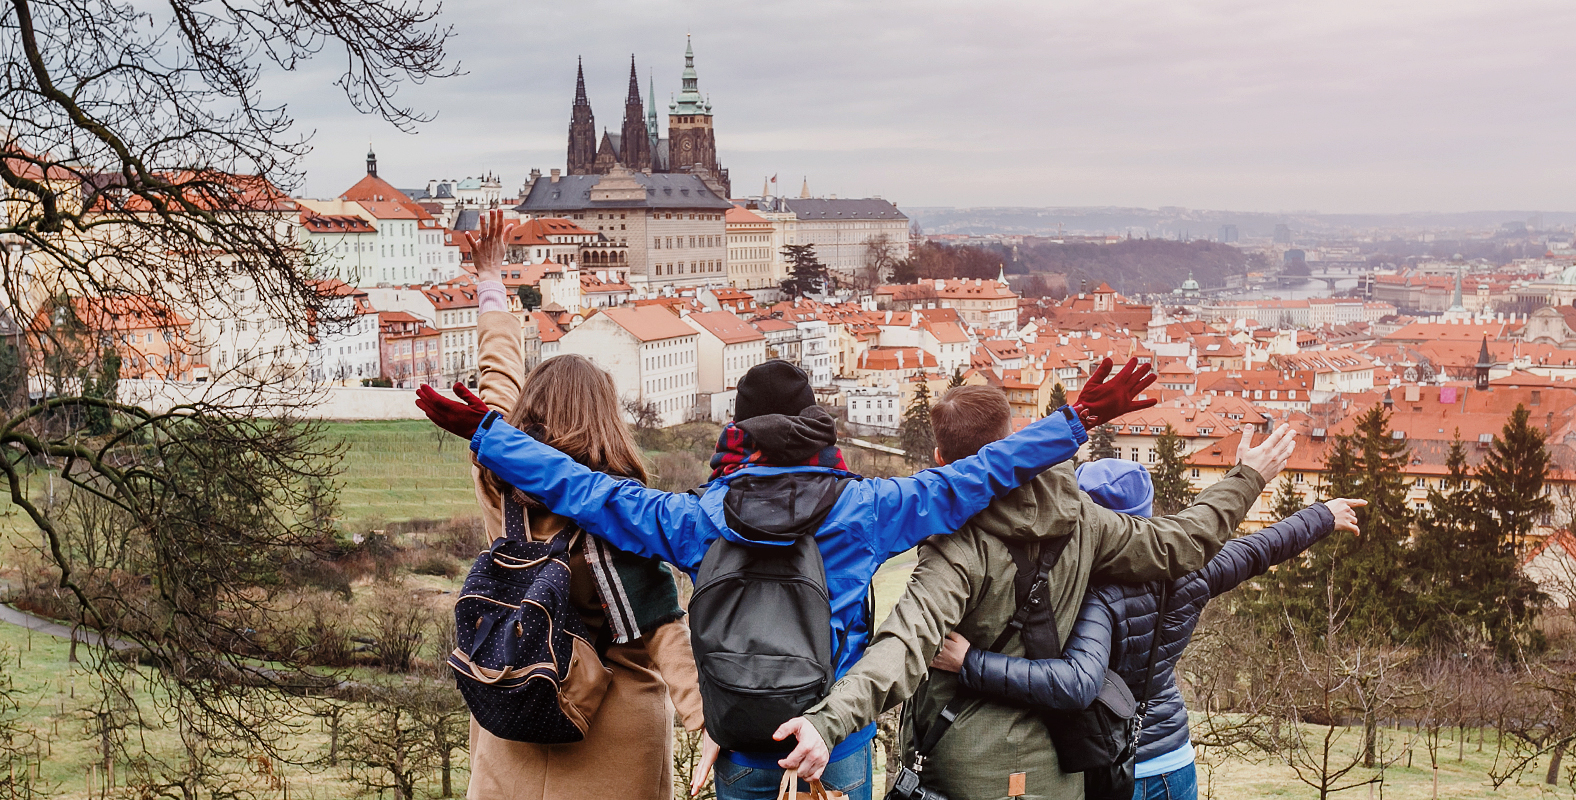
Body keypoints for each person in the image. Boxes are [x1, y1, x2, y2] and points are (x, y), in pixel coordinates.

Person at [416, 350, 1162, 799]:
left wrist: (490, 436)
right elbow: (977, 474)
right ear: (815, 430)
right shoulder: (868, 510)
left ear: (739, 437)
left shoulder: (696, 521)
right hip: (833, 734)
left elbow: (583, 489)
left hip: (744, 735)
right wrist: (1073, 420)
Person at [774, 385, 1297, 800]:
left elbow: (904, 645)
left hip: (964, 771)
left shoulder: (958, 545)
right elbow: (1180, 543)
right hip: (1057, 772)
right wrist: (1248, 477)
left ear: (940, 456)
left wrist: (828, 722)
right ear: (1013, 440)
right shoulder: (1082, 519)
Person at [454, 210, 704, 800]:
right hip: (616, 735)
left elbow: (498, 378)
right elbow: (664, 627)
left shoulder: (500, 478)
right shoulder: (623, 509)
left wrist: (492, 282)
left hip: (514, 701)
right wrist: (712, 723)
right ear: (606, 417)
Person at [935, 459, 1364, 800]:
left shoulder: (1092, 594)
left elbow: (1077, 682)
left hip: (1121, 767)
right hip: (1176, 758)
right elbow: (1259, 548)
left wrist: (970, 663)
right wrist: (1322, 516)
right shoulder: (1190, 571)